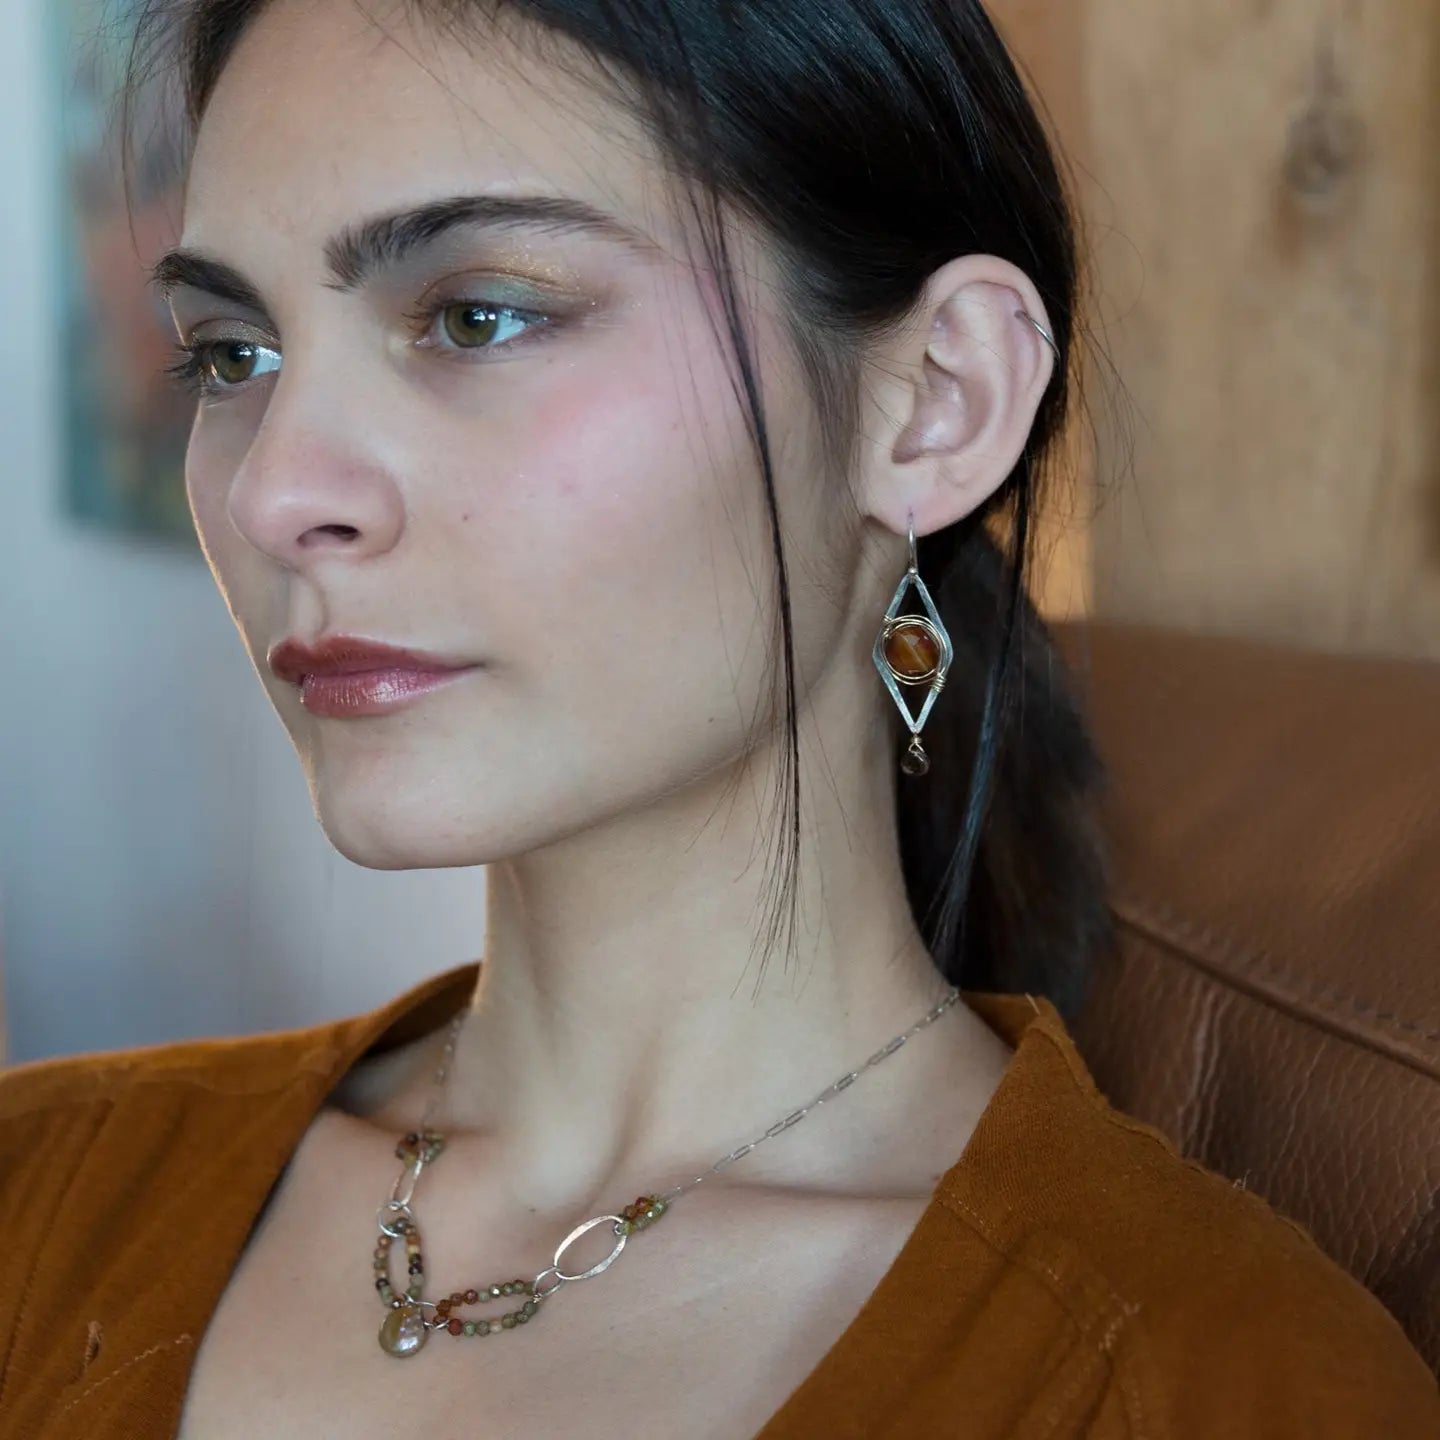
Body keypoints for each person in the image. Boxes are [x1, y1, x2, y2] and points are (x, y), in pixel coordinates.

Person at [2, 1, 1437, 1436]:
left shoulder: (1213, 1385)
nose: (272, 493)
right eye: (232, 355)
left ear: (937, 402)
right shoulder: (36, 1196)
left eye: (477, 316)